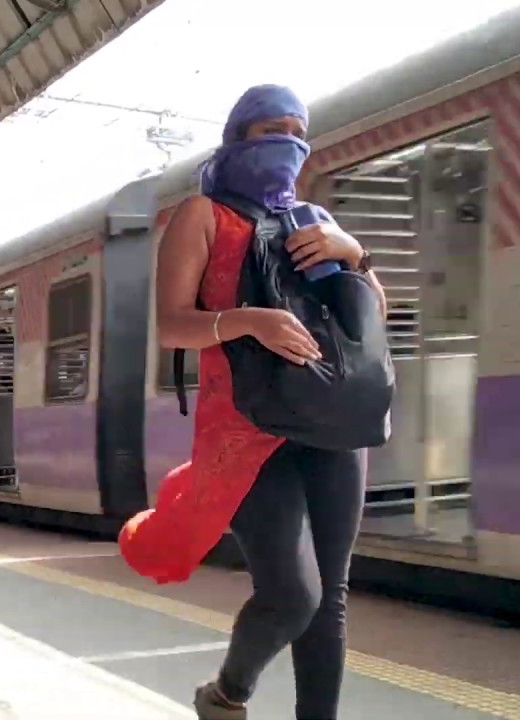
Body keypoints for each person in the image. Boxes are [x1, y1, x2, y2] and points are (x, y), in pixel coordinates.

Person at [124, 85, 386, 720]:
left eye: (298, 132)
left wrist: (354, 254)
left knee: (331, 598)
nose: (288, 142)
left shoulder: (313, 221)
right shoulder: (202, 215)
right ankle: (226, 694)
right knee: (294, 594)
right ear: (239, 136)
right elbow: (172, 325)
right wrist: (248, 321)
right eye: (272, 130)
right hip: (246, 430)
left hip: (330, 420)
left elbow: (371, 315)